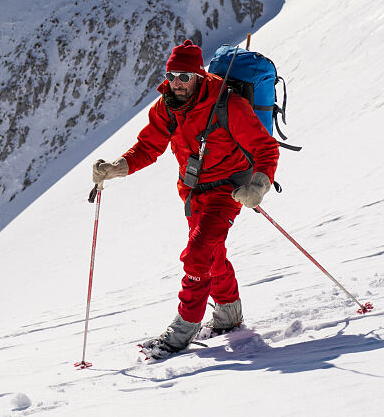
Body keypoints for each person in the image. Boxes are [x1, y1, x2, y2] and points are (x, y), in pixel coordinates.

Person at [91, 38, 279, 356]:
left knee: (197, 255)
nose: (177, 83)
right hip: (191, 190)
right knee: (212, 253)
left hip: (227, 188)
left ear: (199, 76)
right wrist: (115, 168)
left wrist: (258, 185)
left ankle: (182, 332)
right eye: (173, 75)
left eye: (185, 76)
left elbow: (265, 148)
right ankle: (230, 317)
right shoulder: (167, 105)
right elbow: (148, 147)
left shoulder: (228, 104)